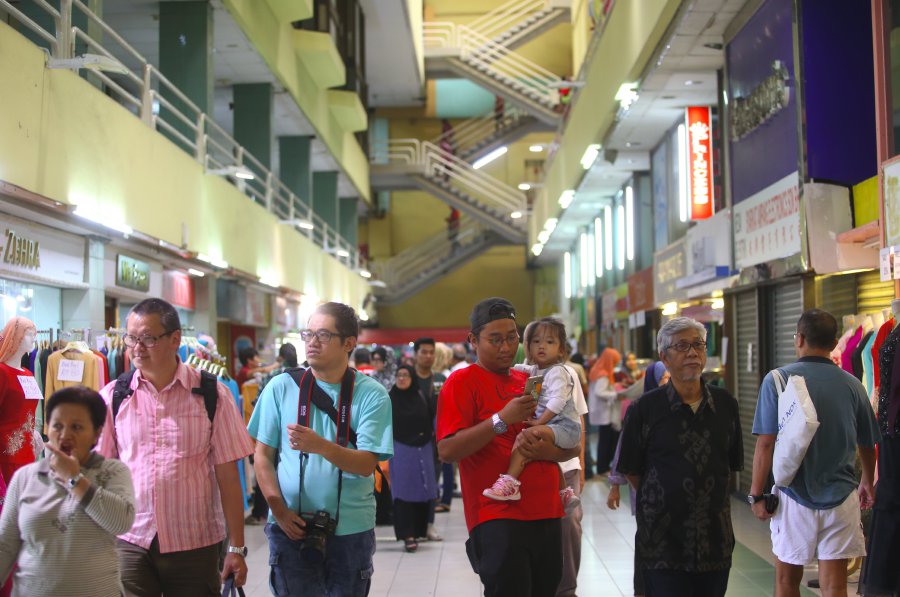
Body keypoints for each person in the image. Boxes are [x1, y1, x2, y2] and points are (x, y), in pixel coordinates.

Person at [97, 298, 255, 596]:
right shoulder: (114, 396)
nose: (136, 347)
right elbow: (101, 473)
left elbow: (228, 476)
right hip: (131, 539)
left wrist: (236, 546)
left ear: (175, 340)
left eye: (148, 338)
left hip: (194, 542)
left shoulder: (212, 395)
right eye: (131, 338)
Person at [249, 302, 393, 597]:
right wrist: (278, 508)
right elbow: (261, 456)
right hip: (290, 525)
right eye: (308, 334)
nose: (312, 342)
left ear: (349, 343)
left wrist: (320, 446)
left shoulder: (371, 394)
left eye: (324, 335)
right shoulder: (281, 387)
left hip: (351, 530)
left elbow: (366, 464)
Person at [437, 297, 578, 597]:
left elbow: (568, 446)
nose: (505, 347)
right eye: (495, 339)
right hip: (497, 515)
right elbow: (448, 450)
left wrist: (545, 449)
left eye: (512, 337)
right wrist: (501, 419)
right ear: (473, 340)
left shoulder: (531, 378)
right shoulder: (461, 382)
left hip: (548, 512)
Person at [750, 309, 879, 597]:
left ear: (799, 339)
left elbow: (765, 444)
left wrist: (757, 494)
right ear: (835, 344)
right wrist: (867, 481)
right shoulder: (853, 385)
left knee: (786, 581)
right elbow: (868, 443)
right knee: (835, 585)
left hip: (792, 497)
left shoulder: (777, 381)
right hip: (841, 498)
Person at [618, 317, 742, 597]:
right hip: (662, 542)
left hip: (714, 539)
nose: (692, 353)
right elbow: (631, 469)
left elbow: (731, 464)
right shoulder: (644, 409)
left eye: (698, 345)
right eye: (682, 346)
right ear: (664, 357)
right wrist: (662, 494)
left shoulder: (725, 405)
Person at [0, 387, 135, 596]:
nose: (65, 435)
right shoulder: (25, 477)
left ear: (97, 433)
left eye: (77, 427)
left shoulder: (113, 472)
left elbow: (121, 522)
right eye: (57, 426)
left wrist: (74, 480)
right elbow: (5, 546)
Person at [484, 318, 582, 515]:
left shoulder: (558, 372)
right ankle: (564, 492)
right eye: (536, 342)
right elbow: (524, 369)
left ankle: (510, 483)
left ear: (561, 350)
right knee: (546, 454)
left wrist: (538, 422)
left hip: (565, 426)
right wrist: (510, 369)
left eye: (550, 342)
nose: (542, 346)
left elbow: (557, 402)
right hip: (556, 427)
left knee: (525, 437)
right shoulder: (538, 369)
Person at [607, 362, 669, 597]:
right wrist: (615, 486)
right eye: (663, 378)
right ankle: (642, 590)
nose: (667, 381)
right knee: (647, 537)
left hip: (673, 490)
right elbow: (623, 450)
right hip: (643, 488)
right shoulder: (641, 410)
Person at [389, 365, 438, 553]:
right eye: (399, 375)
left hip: (423, 448)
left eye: (406, 375)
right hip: (400, 449)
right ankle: (407, 534)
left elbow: (431, 418)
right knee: (402, 492)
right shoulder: (390, 399)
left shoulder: (420, 396)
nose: (402, 378)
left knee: (423, 490)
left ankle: (418, 531)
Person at [414, 337, 447, 542]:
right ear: (415, 354)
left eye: (431, 352)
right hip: (410, 440)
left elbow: (447, 410)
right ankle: (413, 526)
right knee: (412, 483)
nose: (428, 356)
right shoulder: (407, 377)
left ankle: (429, 524)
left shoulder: (440, 380)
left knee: (432, 483)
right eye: (424, 352)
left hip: (434, 441)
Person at [588, 348, 621, 475]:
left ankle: (604, 466)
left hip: (601, 410)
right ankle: (603, 468)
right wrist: (615, 394)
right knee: (605, 441)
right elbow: (599, 392)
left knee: (604, 439)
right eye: (614, 362)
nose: (615, 365)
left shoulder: (597, 369)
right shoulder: (603, 373)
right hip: (604, 411)